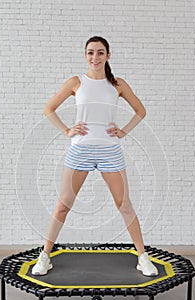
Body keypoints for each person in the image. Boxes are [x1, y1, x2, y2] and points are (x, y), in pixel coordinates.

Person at [32, 36, 158, 277]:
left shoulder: (118, 84)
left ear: (108, 56)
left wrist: (123, 131)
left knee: (125, 205)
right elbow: (49, 109)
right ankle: (45, 256)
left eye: (100, 53)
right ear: (85, 55)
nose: (95, 57)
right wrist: (67, 130)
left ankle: (142, 257)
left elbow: (141, 110)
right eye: (90, 53)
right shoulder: (76, 82)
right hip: (80, 149)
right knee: (62, 206)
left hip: (110, 150)